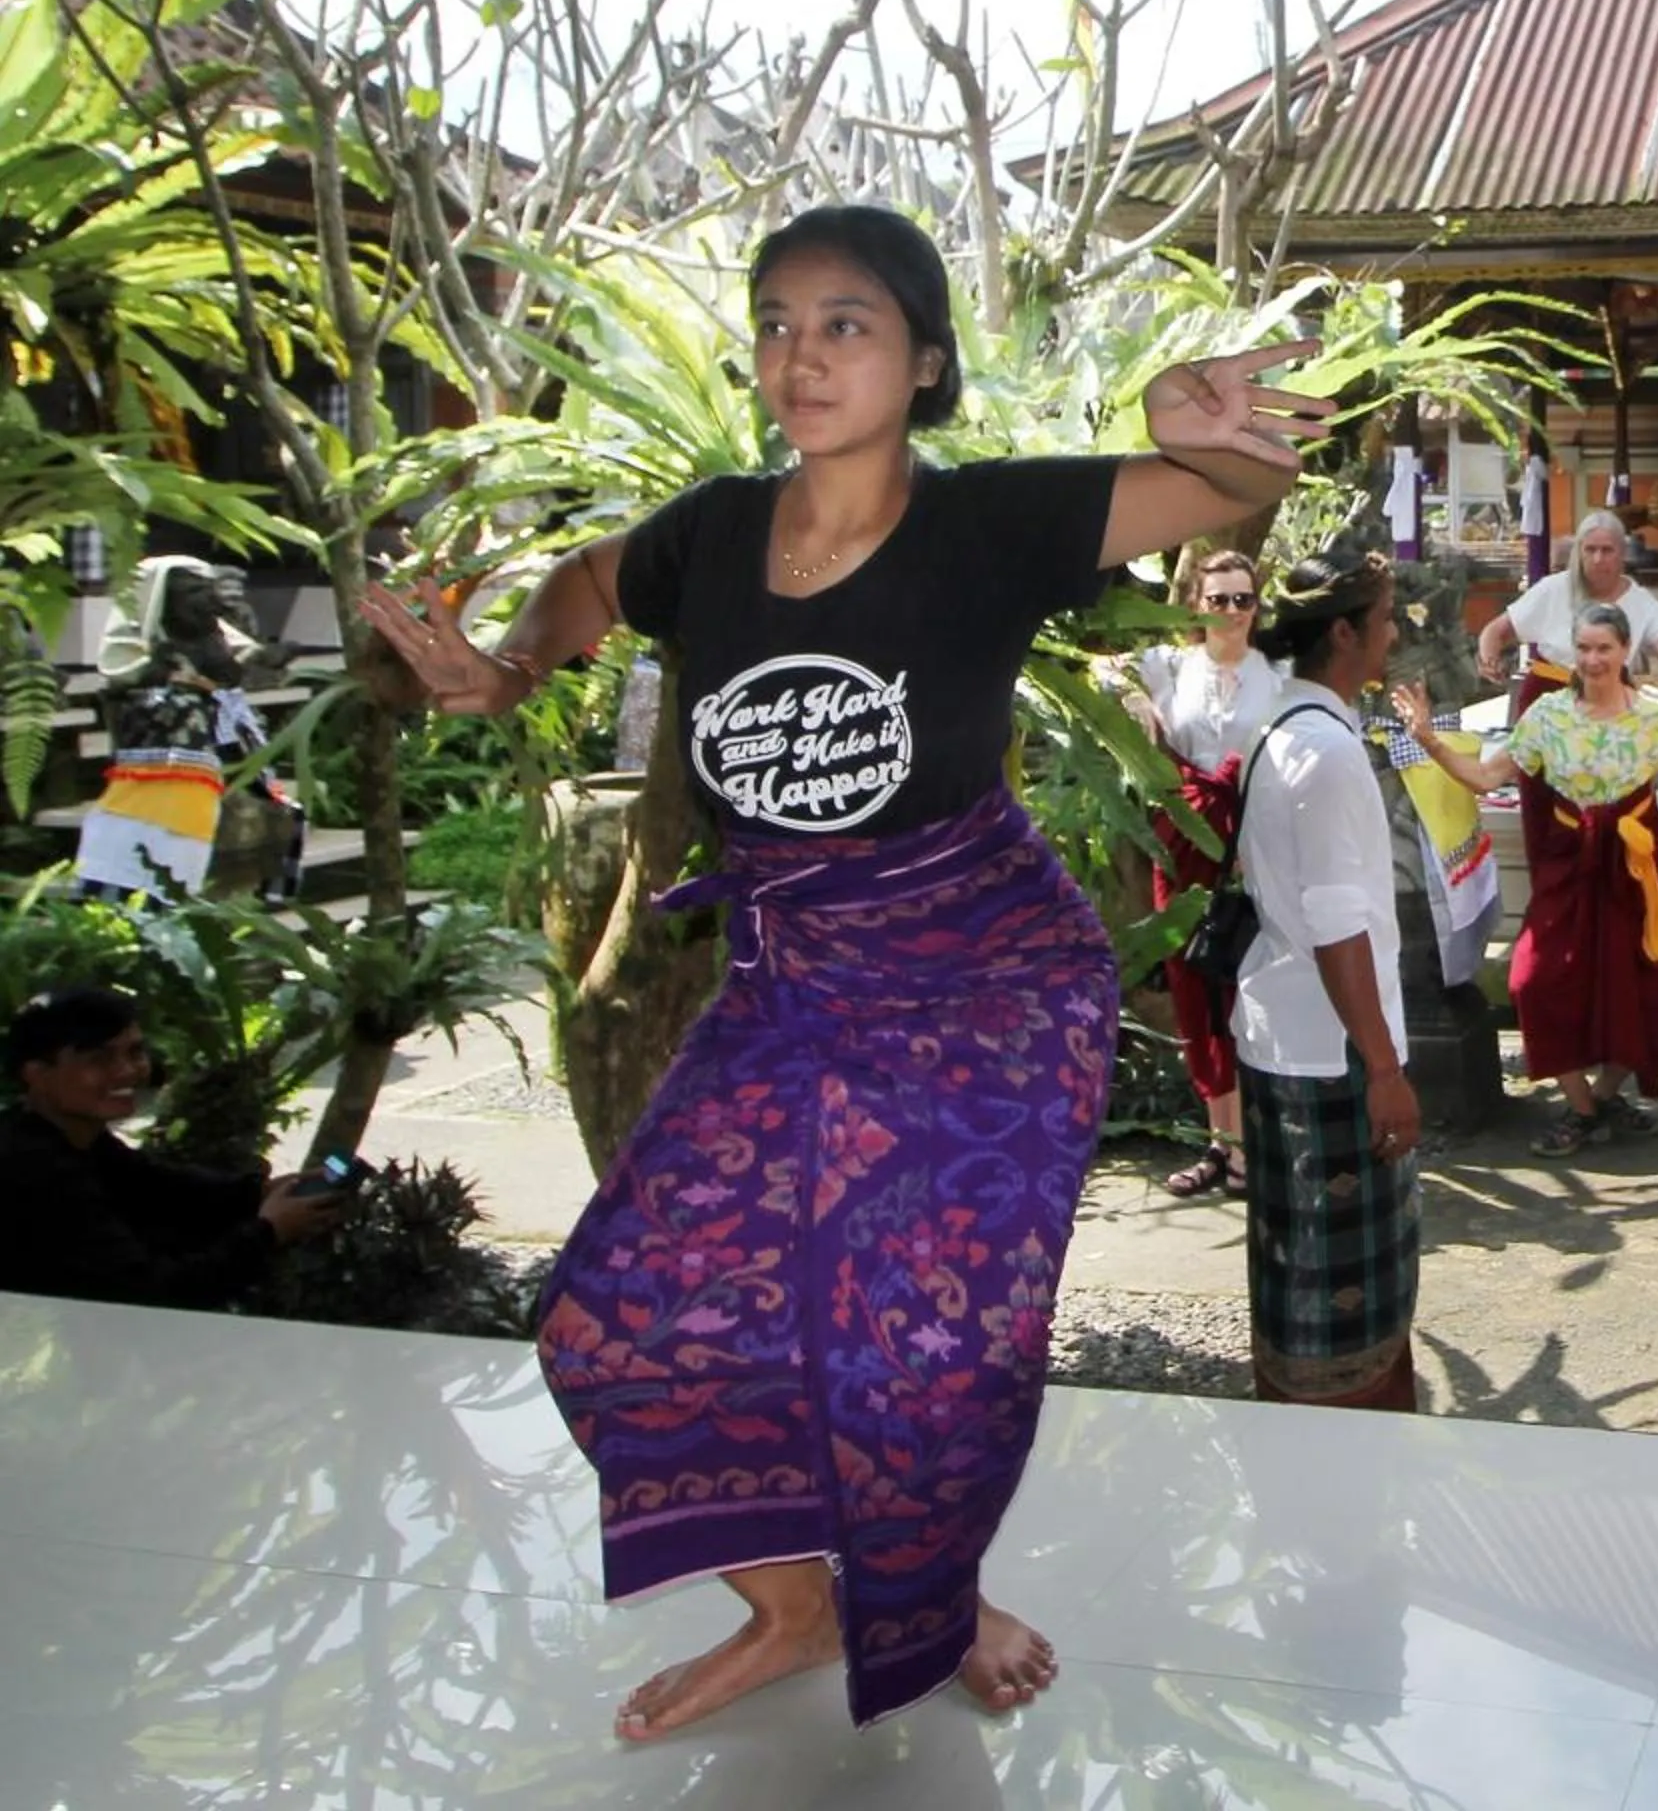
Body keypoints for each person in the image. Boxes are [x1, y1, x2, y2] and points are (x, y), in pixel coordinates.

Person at [358, 203, 1332, 1740]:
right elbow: (591, 583)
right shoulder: (712, 535)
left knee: (919, 1341)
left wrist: (1205, 439)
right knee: (613, 1320)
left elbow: (1231, 491)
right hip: (794, 986)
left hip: (985, 989)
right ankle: (800, 1606)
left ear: (926, 359)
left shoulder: (988, 524)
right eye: (777, 323)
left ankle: (929, 1597)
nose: (800, 356)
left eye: (846, 324)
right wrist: (513, 666)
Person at [1395, 604, 1658, 1155]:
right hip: (1570, 867)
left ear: (1625, 651)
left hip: (1635, 871)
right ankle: (1585, 1109)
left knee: (1652, 990)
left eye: (1604, 648)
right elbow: (1485, 777)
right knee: (1533, 982)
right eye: (1585, 648)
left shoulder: (1654, 716)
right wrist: (1429, 740)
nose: (1594, 660)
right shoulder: (1548, 715)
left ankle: (1600, 1099)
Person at [1228, 551, 1423, 1409]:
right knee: (1341, 1289)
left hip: (1287, 1030)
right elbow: (1338, 924)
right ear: (1342, 632)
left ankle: (1304, 1443)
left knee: (1296, 1272)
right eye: (1383, 618)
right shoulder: (1325, 751)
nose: (1394, 633)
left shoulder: (1281, 724)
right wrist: (1383, 1069)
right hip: (1331, 1049)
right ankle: (1347, 1461)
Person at [0, 987, 341, 1307]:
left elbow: (163, 1189)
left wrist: (261, 1193)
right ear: (36, 1074)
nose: (128, 1071)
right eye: (99, 1059)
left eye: (135, 1052)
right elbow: (151, 1293)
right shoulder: (32, 1168)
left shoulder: (79, 1139)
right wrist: (269, 1232)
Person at [1126, 548, 1284, 1201]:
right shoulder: (1167, 667)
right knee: (1195, 989)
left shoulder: (1277, 676)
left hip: (1254, 846)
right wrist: (1136, 707)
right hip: (1185, 846)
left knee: (1247, 990)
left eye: (1243, 599)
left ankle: (1253, 1145)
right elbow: (1107, 674)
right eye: (1218, 599)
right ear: (1196, 603)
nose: (1231, 611)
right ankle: (1223, 1145)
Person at [78, 557, 302, 899]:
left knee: (278, 808)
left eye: (207, 590)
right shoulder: (144, 671)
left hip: (221, 757)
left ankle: (261, 893)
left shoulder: (210, 638)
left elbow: (233, 669)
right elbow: (133, 683)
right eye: (193, 592)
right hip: (168, 765)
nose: (206, 601)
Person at [1476, 510, 1658, 716]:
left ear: (1622, 554)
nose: (1598, 559)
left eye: (1607, 550)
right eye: (1590, 550)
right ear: (1580, 552)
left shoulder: (1639, 600)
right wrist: (1489, 658)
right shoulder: (1553, 588)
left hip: (1610, 700)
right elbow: (1497, 631)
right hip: (1549, 696)